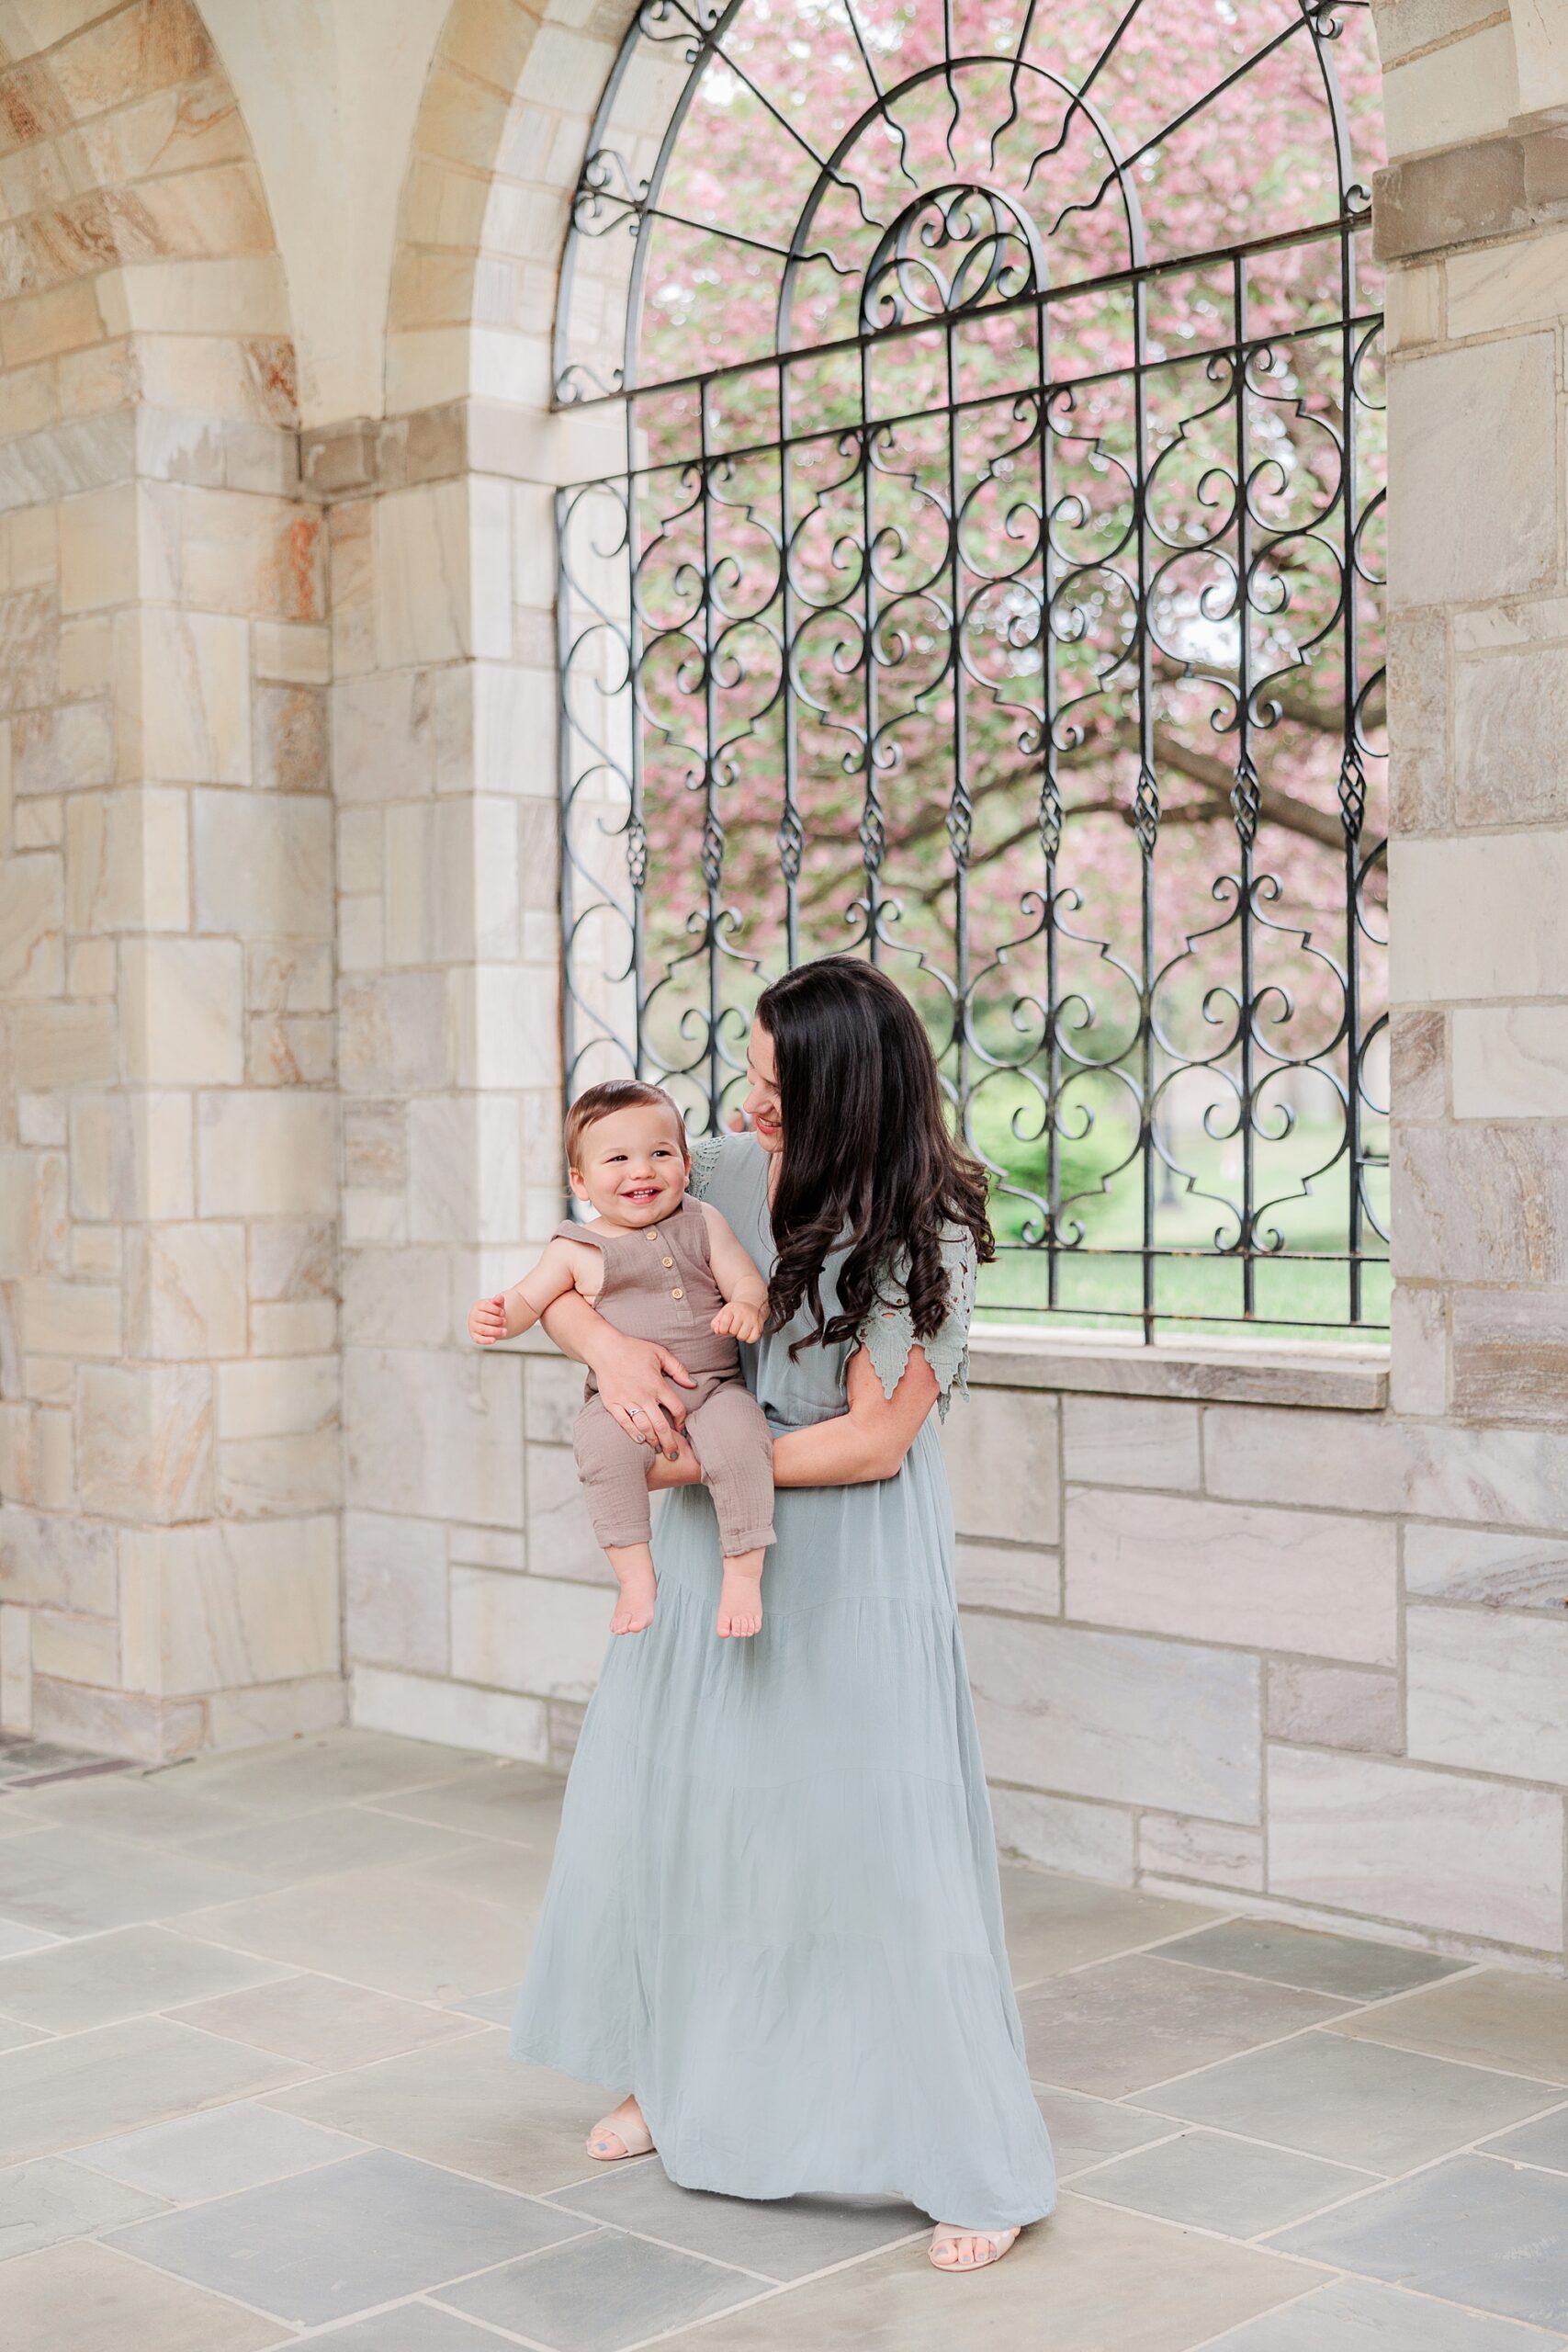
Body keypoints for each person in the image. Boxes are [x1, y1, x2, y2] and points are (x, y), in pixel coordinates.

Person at [512, 956, 1055, 2272]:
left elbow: (875, 1442)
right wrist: (604, 1351)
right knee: (697, 1821)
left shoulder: (918, 1235)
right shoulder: (728, 1180)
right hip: (708, 1551)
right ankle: (685, 2072)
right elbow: (584, 1262)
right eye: (745, 1078)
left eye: (774, 1086)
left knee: (867, 1851)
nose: (747, 1107)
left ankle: (960, 2148)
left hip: (842, 1558)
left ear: (847, 1092)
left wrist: (682, 1463)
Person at [468, 1080, 773, 1637]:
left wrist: (748, 1304)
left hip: (715, 1387)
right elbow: (529, 1300)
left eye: (660, 1154)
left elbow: (742, 1276)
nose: (642, 1171)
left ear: (685, 1163)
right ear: (580, 1182)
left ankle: (743, 1573)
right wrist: (499, 1315)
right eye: (618, 1159)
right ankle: (635, 1576)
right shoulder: (575, 1247)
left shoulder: (703, 1220)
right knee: (601, 1451)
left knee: (743, 1439)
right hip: (621, 1405)